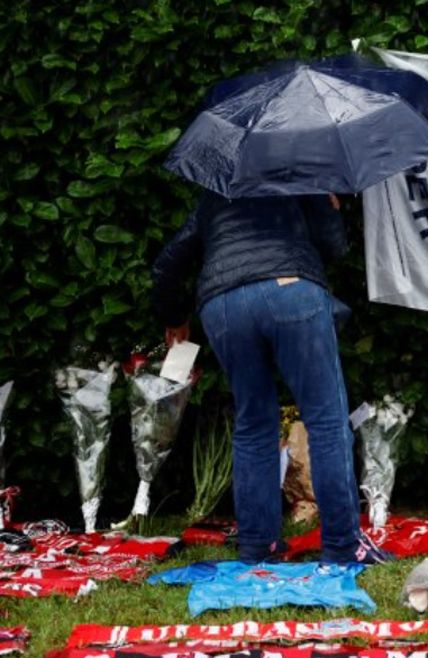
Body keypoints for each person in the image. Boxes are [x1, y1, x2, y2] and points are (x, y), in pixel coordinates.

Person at [152, 192, 390, 565]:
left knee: (253, 422)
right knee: (326, 421)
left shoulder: (216, 193)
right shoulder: (300, 175)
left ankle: (258, 546)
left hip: (223, 305)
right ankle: (344, 546)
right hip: (291, 290)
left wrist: (175, 317)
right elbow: (333, 248)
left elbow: (167, 265)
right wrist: (328, 208)